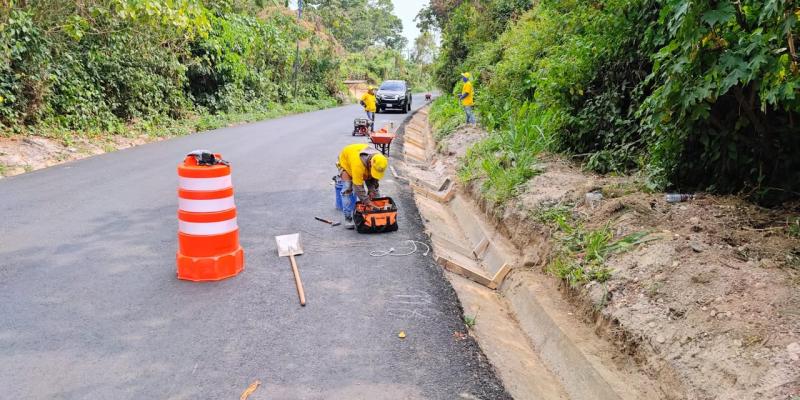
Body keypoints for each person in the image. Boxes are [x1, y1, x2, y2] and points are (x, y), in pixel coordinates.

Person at [336, 143, 388, 229]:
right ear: (371, 164)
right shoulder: (358, 165)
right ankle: (348, 218)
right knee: (347, 189)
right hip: (346, 159)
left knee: (374, 190)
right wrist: (367, 202)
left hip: (362, 161)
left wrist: (371, 190)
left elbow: (374, 177)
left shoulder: (380, 160)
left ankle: (377, 215)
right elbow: (358, 187)